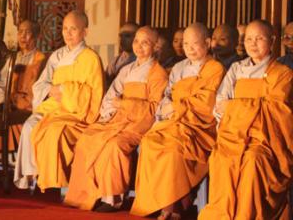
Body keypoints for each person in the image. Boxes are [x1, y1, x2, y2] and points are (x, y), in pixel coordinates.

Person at [64, 26, 168, 212]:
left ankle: (112, 199)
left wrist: (125, 104)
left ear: (155, 46)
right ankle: (86, 194)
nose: (139, 46)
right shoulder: (126, 70)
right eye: (136, 41)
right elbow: (112, 95)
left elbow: (155, 108)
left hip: (138, 123)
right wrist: (112, 111)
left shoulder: (158, 73)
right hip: (117, 119)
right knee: (87, 138)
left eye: (145, 43)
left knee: (114, 145)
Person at [199, 20, 293, 219]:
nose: (253, 44)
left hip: (265, 141)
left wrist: (235, 106)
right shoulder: (236, 69)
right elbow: (221, 104)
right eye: (249, 39)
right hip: (233, 135)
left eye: (259, 38)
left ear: (272, 40)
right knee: (221, 158)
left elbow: (277, 111)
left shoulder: (283, 74)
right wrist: (242, 108)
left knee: (252, 161)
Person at [130, 22, 225, 219]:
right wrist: (167, 109)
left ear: (207, 43)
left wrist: (176, 107)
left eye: (194, 43)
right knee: (149, 142)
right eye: (186, 44)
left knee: (173, 150)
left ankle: (172, 207)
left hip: (198, 127)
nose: (189, 48)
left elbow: (206, 103)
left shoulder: (215, 68)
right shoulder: (178, 67)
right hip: (174, 122)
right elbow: (168, 94)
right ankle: (153, 202)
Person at [14, 11, 103, 191]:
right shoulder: (57, 56)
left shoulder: (91, 59)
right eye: (65, 29)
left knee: (53, 131)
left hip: (74, 112)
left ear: (85, 32)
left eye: (73, 29)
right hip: (53, 107)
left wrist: (64, 90)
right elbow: (41, 84)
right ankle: (31, 174)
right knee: (30, 125)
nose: (68, 34)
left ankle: (51, 178)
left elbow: (93, 93)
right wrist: (51, 90)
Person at [0, 20, 46, 117]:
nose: (23, 36)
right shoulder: (13, 58)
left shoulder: (41, 60)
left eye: (27, 32)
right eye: (20, 32)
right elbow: (1, 83)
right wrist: (1, 102)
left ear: (36, 36)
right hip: (9, 106)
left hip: (30, 109)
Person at [104, 22, 138, 88]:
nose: (122, 39)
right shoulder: (116, 60)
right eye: (120, 36)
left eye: (127, 36)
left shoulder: (141, 60)